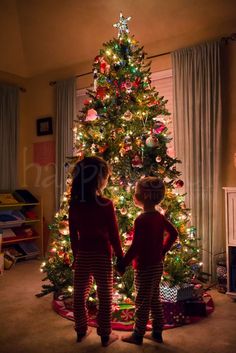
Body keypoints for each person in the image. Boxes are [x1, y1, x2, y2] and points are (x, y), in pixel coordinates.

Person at [69, 156, 123, 347]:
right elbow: (114, 235)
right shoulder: (106, 204)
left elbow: (73, 235)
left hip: (83, 255)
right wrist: (121, 258)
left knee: (79, 295)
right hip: (101, 255)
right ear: (99, 179)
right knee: (105, 296)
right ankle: (105, 336)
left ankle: (81, 330)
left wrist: (76, 256)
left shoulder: (74, 204)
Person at [117, 176, 178, 345]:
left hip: (144, 267)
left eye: (136, 192)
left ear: (144, 196)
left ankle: (138, 335)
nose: (134, 195)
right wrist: (163, 251)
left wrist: (122, 263)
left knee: (142, 301)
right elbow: (174, 234)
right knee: (154, 299)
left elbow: (135, 247)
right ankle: (157, 332)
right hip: (157, 265)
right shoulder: (159, 216)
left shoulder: (141, 220)